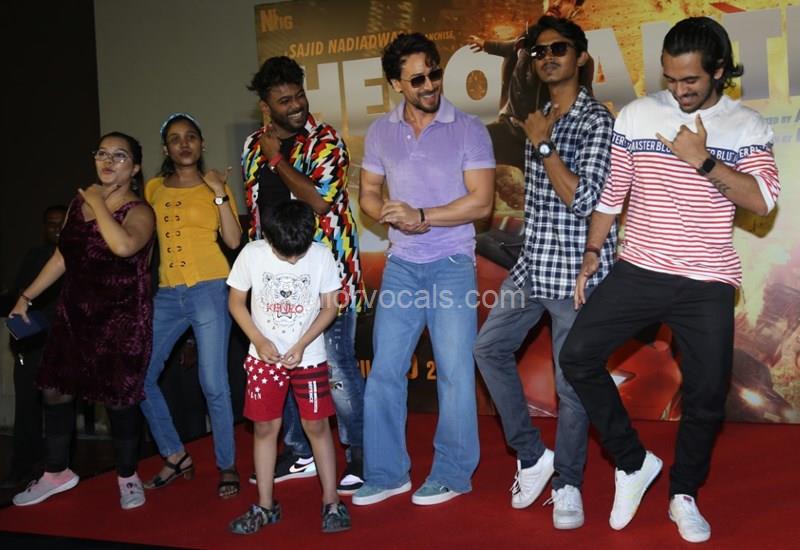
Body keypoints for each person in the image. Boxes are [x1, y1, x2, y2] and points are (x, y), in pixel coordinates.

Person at [559, 17, 780, 543]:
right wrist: (592, 253)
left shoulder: (746, 126)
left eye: (691, 81)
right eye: (671, 79)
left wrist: (703, 161)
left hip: (707, 280)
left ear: (719, 71)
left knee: (706, 396)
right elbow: (612, 193)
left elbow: (762, 201)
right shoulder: (638, 115)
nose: (679, 91)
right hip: (640, 268)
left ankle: (684, 494)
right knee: (577, 356)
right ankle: (633, 462)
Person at [472, 16, 614, 530]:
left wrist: (546, 145)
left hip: (577, 273)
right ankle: (532, 457)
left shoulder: (597, 121)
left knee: (570, 384)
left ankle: (568, 483)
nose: (547, 57)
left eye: (559, 49)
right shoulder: (539, 116)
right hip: (534, 265)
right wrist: (539, 136)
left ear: (580, 57)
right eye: (539, 51)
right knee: (487, 349)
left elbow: (587, 200)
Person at [353, 32, 495, 506]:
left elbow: (482, 202)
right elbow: (368, 191)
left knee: (454, 372)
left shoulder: (469, 128)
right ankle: (386, 472)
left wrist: (423, 216)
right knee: (384, 372)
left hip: (452, 262)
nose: (430, 84)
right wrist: (385, 212)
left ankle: (452, 473)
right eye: (418, 79)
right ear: (397, 84)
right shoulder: (381, 132)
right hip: (402, 265)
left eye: (434, 73)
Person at [10, 132, 155, 509]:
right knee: (54, 389)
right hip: (74, 316)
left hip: (121, 321)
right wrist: (26, 297)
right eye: (102, 153)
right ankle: (56, 472)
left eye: (119, 156)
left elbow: (123, 246)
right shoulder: (80, 204)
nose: (107, 161)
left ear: (135, 168)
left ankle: (128, 477)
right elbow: (63, 256)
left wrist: (98, 203)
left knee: (119, 400)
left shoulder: (140, 210)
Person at [242, 56, 367, 494]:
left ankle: (361, 454)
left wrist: (276, 159)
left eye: (299, 96)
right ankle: (300, 453)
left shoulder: (326, 140)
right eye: (284, 100)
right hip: (276, 286)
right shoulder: (252, 146)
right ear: (265, 106)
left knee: (337, 369)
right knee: (283, 367)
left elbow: (319, 201)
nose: (295, 105)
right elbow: (257, 212)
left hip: (326, 276)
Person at [227, 200, 351, 534]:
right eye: (286, 254)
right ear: (269, 237)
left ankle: (331, 502)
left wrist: (302, 344)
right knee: (265, 428)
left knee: (317, 426)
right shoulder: (252, 254)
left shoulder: (321, 256)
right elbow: (235, 302)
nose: (295, 260)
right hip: (263, 357)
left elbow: (330, 307)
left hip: (308, 355)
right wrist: (258, 339)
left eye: (300, 253)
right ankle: (266, 505)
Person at [139, 113, 243, 498]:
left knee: (213, 383)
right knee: (139, 375)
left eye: (191, 137)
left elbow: (233, 241)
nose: (184, 144)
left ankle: (226, 464)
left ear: (201, 144)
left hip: (209, 288)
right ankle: (175, 454)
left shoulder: (216, 185)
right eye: (175, 138)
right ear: (166, 149)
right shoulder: (153, 188)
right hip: (168, 294)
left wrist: (218, 192)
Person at [465, 1, 593, 171]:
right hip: (509, 127)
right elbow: (512, 47)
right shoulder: (526, 39)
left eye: (566, 0)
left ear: (575, 10)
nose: (556, 3)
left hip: (538, 140)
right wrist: (486, 45)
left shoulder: (577, 60)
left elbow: (584, 103)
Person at [1, 205, 66, 490]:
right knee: (26, 408)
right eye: (50, 224)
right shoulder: (34, 256)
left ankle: (57, 467)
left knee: (60, 408)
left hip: (64, 343)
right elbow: (18, 294)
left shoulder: (78, 257)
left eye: (61, 224)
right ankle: (23, 466)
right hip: (32, 341)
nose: (56, 229)